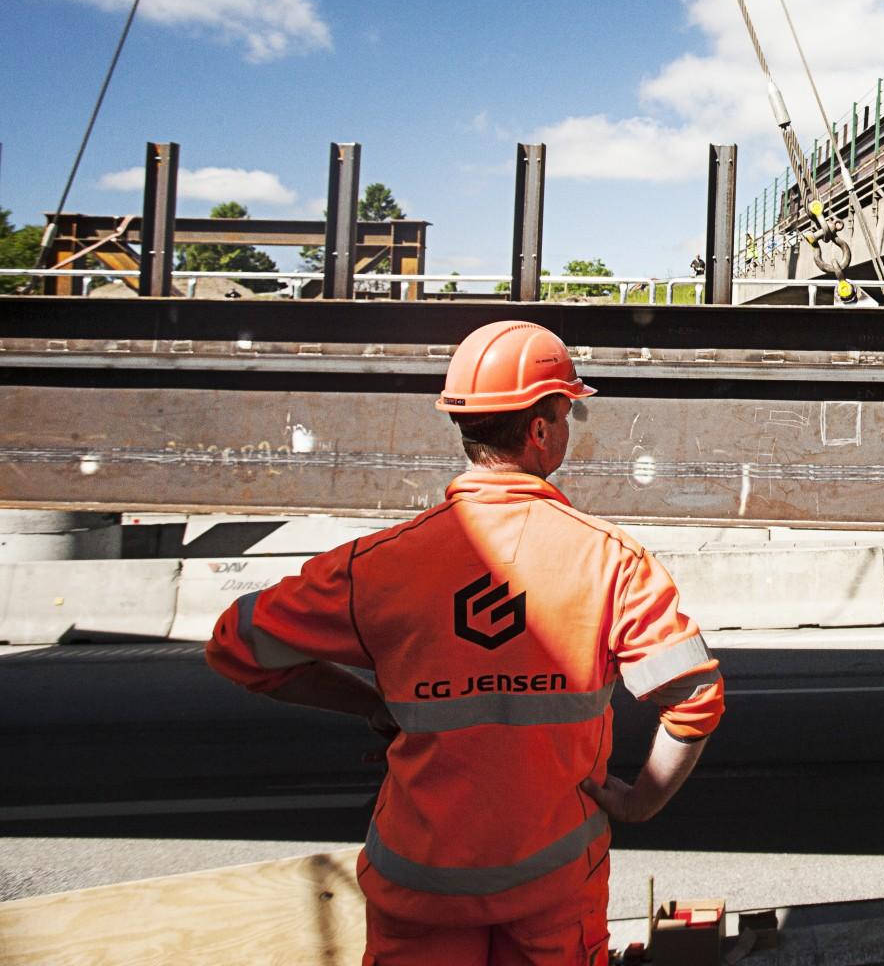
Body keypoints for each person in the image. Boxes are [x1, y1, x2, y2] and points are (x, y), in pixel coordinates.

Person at [205, 320, 724, 965]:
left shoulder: (378, 565)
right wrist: (641, 800)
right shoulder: (610, 561)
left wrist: (369, 704)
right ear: (540, 429)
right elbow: (695, 696)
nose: (567, 429)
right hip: (552, 892)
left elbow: (237, 644)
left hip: (418, 890)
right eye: (568, 413)